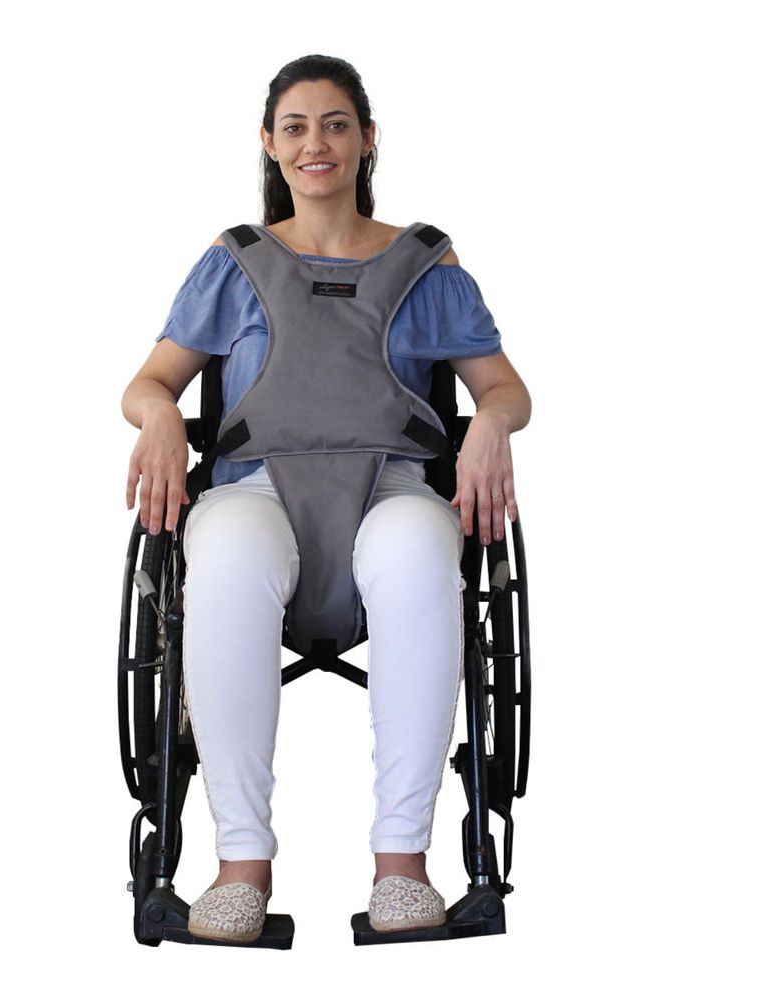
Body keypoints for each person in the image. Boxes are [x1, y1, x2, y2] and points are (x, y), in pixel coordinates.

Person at [121, 54, 531, 944]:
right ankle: (239, 866)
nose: (318, 143)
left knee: (420, 549)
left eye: (337, 124)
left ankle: (402, 867)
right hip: (258, 487)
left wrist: (494, 423)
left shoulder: (426, 263)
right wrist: (157, 416)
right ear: (270, 143)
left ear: (367, 138)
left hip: (392, 484)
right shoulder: (235, 262)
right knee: (225, 557)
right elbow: (150, 382)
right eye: (297, 126)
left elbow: (505, 389)